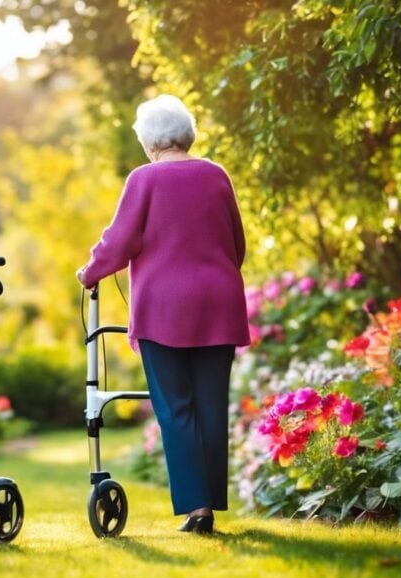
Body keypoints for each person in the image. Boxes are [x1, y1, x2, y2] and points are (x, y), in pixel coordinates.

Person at [76, 94, 250, 535]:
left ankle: (198, 509)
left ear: (149, 141)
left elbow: (118, 242)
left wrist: (90, 272)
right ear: (186, 134)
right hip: (219, 302)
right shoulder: (216, 175)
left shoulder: (144, 178)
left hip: (165, 308)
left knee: (175, 407)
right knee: (211, 404)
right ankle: (209, 503)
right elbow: (237, 243)